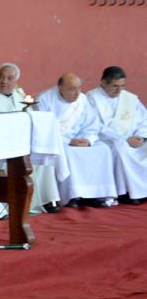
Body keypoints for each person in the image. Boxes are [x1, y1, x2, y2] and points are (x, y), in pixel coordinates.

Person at [0, 62, 60, 215]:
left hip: (18, 145)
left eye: (9, 78)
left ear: (16, 81)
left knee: (42, 158)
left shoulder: (19, 95)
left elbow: (28, 119)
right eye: (1, 77)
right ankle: (0, 208)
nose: (4, 81)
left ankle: (44, 201)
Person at [37, 73, 117, 209]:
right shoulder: (45, 100)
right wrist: (69, 141)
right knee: (68, 153)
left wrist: (87, 140)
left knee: (102, 149)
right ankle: (73, 196)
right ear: (60, 88)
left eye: (79, 88)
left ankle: (97, 195)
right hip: (59, 141)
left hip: (80, 139)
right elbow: (44, 129)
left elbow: (92, 125)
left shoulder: (83, 100)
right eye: (72, 89)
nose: (77, 93)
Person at [87, 66, 147, 205]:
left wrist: (142, 137)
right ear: (103, 82)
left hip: (135, 138)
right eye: (115, 86)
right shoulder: (92, 98)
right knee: (121, 149)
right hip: (110, 140)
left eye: (122, 86)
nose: (119, 90)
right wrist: (125, 139)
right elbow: (96, 126)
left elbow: (144, 119)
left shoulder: (130, 98)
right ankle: (128, 193)